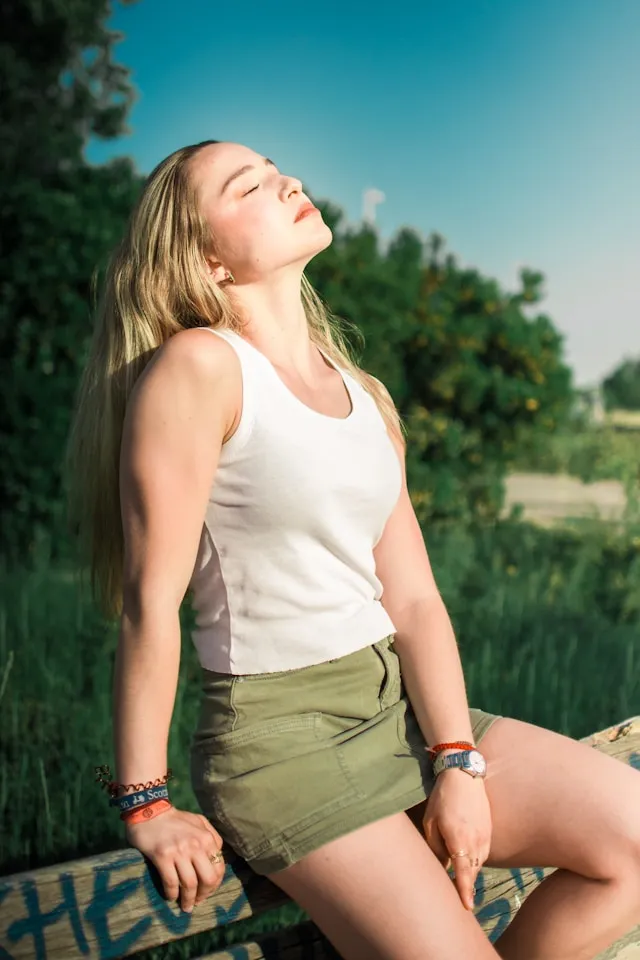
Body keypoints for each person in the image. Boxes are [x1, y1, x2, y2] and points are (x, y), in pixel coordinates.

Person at [67, 140, 640, 960]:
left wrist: (458, 760)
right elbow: (149, 604)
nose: (287, 181)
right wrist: (146, 803)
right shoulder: (200, 370)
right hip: (282, 744)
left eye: (277, 170)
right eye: (249, 187)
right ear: (208, 261)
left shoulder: (362, 391)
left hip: (398, 711)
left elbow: (412, 600)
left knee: (635, 844)